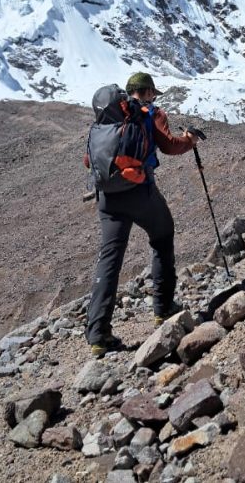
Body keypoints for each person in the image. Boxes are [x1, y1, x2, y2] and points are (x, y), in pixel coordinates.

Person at [85, 72, 198, 358]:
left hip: (108, 198)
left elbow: (90, 159)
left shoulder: (107, 118)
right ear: (146, 92)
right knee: (162, 236)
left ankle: (98, 334)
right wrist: (190, 140)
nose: (154, 98)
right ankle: (162, 308)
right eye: (152, 93)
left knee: (110, 258)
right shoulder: (150, 113)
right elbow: (169, 145)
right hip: (139, 191)